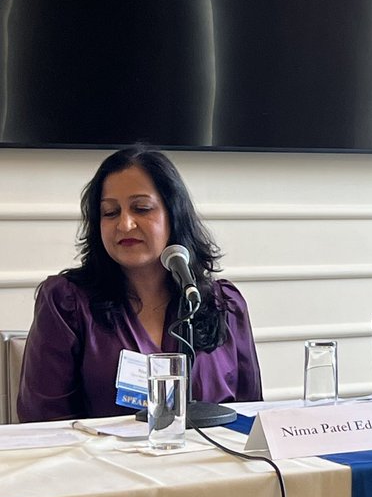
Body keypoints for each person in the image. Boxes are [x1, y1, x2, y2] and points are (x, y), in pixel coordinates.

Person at [17, 146, 263, 422]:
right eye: (110, 213)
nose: (125, 224)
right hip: (102, 464)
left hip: (214, 463)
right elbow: (43, 422)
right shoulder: (67, 302)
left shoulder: (224, 303)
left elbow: (250, 414)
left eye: (141, 208)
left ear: (174, 214)